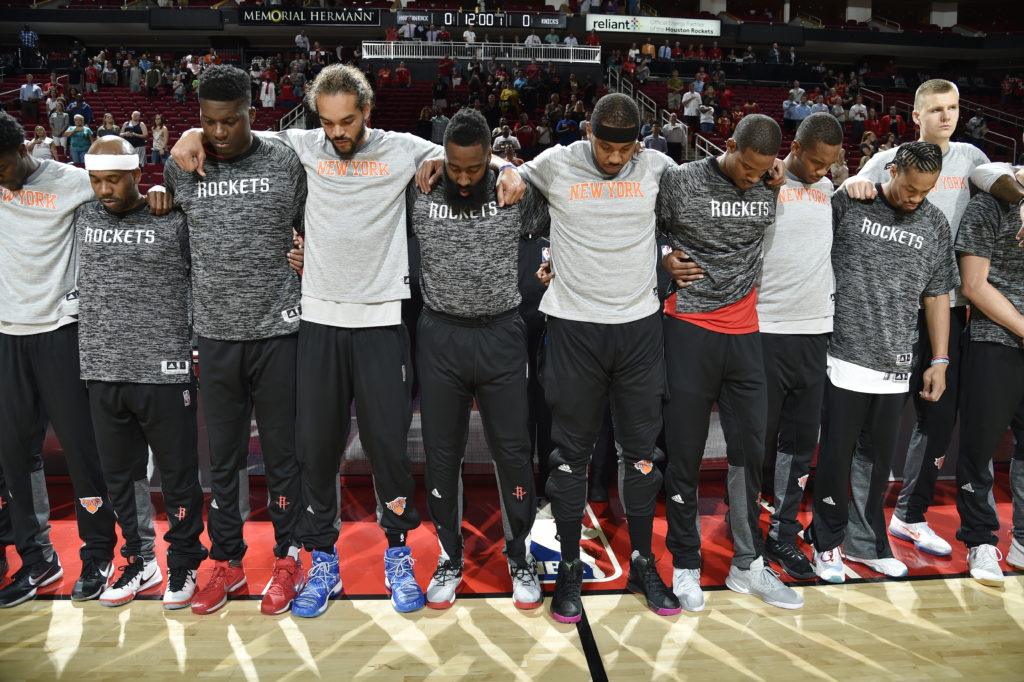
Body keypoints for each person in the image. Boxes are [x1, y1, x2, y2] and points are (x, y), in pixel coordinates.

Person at [169, 64, 523, 618]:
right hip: (318, 320)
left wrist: (503, 167)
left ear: (367, 111)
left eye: (348, 121)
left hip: (382, 322)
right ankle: (323, 559)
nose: (337, 132)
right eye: (328, 122)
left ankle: (398, 554)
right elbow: (236, 134)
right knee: (318, 450)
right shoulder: (303, 145)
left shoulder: (402, 148)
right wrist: (191, 134)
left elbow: (461, 152)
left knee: (389, 449)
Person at [517, 93, 682, 623]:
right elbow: (507, 173)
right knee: (569, 456)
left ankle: (641, 560)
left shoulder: (658, 166)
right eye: (605, 147)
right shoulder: (554, 162)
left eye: (624, 149)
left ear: (640, 141)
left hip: (638, 330)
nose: (614, 159)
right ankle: (568, 565)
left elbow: (707, 188)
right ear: (588, 132)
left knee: (640, 455)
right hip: (573, 329)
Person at [161, 64, 308, 616]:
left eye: (231, 120)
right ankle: (226, 561)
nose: (219, 132)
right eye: (208, 122)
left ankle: (289, 557)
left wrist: (306, 252)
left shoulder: (284, 160)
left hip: (278, 331)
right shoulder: (185, 165)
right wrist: (181, 146)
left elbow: (315, 220)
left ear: (254, 113)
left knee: (282, 457)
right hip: (216, 335)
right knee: (221, 461)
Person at [391, 109, 547, 610]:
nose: (461, 178)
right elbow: (376, 150)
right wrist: (433, 158)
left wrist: (509, 168)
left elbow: (571, 197)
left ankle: (519, 553)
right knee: (441, 455)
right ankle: (450, 556)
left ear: (488, 158)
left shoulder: (514, 191)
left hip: (502, 335)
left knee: (514, 452)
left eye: (472, 168)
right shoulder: (421, 187)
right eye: (453, 166)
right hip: (440, 336)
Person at [657, 114, 801, 611]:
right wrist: (662, 256)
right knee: (685, 455)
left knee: (747, 454)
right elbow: (644, 228)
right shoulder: (680, 180)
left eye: (763, 171)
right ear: (730, 145)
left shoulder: (769, 185)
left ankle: (748, 565)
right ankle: (685, 564)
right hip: (688, 329)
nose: (753, 178)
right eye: (747, 167)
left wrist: (771, 181)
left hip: (745, 334)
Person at [842, 80, 990, 560]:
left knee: (938, 419)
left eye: (954, 109)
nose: (947, 117)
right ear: (917, 114)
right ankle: (844, 522)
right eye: (937, 110)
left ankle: (909, 515)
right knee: (866, 425)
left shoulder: (972, 158)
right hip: (883, 314)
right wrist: (852, 182)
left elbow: (1007, 182)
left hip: (946, 309)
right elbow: (849, 189)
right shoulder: (888, 160)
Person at [808, 142, 958, 582]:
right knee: (836, 457)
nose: (916, 198)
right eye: (910, 188)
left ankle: (866, 543)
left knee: (874, 461)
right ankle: (827, 543)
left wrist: (941, 359)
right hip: (842, 354)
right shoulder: (853, 202)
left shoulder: (933, 222)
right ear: (892, 170)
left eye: (925, 191)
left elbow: (936, 295)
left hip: (897, 360)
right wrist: (846, 183)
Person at [72, 136, 207, 609]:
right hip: (102, 369)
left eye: (113, 179)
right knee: (121, 477)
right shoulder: (82, 215)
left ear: (135, 174)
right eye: (96, 180)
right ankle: (140, 559)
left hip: (164, 369)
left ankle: (185, 560)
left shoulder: (169, 216)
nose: (104, 189)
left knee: (177, 475)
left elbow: (205, 272)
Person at [0, 111, 124, 608]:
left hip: (60, 331)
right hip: (8, 334)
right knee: (15, 456)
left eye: (4, 165)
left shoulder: (72, 182)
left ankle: (98, 552)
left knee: (80, 451)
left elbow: (126, 194)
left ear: (22, 148)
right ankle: (38, 559)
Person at [753, 114, 844, 580]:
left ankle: (783, 534)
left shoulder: (830, 191)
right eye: (813, 161)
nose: (820, 171)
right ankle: (747, 533)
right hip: (764, 330)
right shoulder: (764, 182)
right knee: (752, 441)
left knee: (800, 442)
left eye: (829, 164)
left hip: (815, 333)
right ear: (795, 146)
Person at [953, 164, 1024, 586]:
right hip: (994, 340)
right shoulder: (990, 202)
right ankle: (980, 541)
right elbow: (974, 284)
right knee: (978, 451)